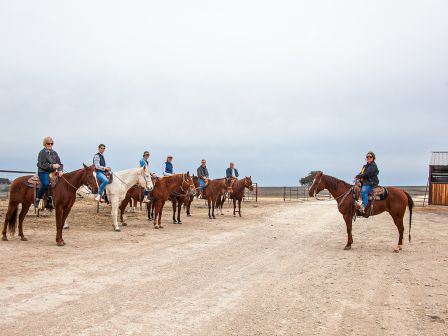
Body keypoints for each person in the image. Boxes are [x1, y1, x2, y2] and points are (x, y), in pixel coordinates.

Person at [35, 136, 63, 209]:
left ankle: (53, 200)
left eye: (51, 143)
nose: (50, 145)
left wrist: (60, 170)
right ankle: (38, 199)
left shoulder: (54, 153)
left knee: (61, 183)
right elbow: (41, 164)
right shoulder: (42, 153)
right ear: (45, 144)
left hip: (53, 172)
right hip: (43, 171)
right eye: (48, 143)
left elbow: (59, 163)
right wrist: (52, 166)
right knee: (45, 183)